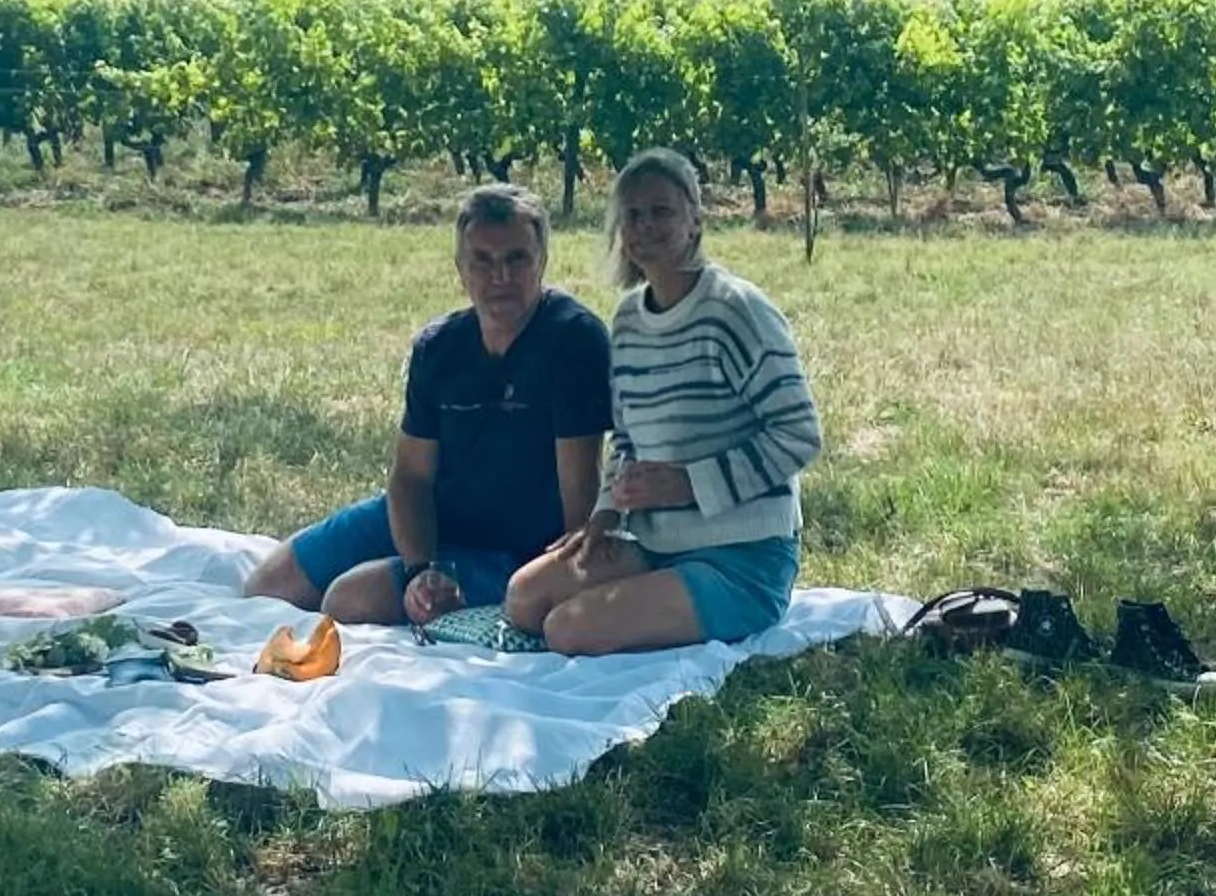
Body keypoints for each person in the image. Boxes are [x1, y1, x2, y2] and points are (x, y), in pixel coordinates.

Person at [247, 184, 612, 626]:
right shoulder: (440, 347)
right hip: (438, 514)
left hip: (518, 548)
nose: (500, 276)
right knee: (269, 585)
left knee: (350, 598)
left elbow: (579, 497)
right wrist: (420, 567)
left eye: (516, 259)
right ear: (460, 268)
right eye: (483, 260)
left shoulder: (574, 341)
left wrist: (555, 584)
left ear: (543, 261)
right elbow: (411, 476)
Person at [504, 148, 820, 655]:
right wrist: (605, 513)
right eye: (632, 215)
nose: (645, 226)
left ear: (695, 220)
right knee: (523, 599)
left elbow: (799, 435)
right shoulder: (629, 320)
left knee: (567, 629)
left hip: (743, 556)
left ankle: (707, 604)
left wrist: (690, 484)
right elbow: (627, 440)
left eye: (661, 211)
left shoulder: (736, 310)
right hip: (656, 543)